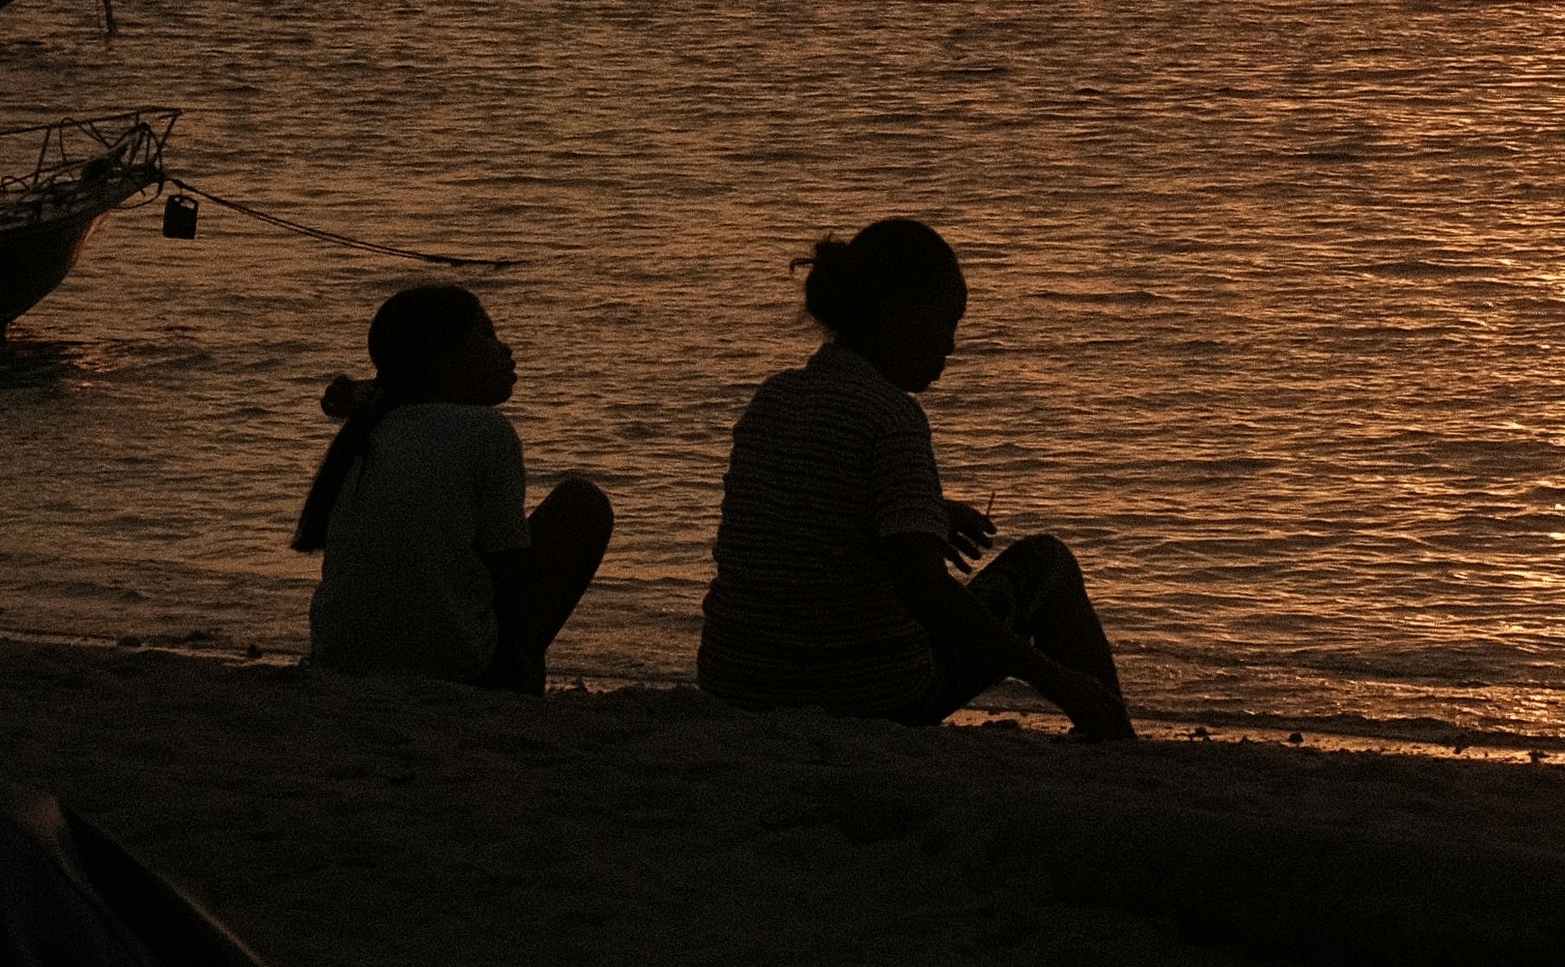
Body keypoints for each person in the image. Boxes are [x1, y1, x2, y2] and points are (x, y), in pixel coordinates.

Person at [695, 218, 1131, 735]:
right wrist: (1054, 679)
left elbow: (806, 516)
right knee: (1047, 562)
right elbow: (927, 591)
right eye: (945, 325)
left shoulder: (774, 399)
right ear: (899, 319)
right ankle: (1111, 730)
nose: (950, 347)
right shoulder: (892, 419)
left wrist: (927, 512)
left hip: (735, 686)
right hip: (866, 698)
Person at [293, 284, 610, 693]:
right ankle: (522, 680)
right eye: (485, 336)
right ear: (442, 361)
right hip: (458, 670)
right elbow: (508, 573)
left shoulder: (370, 426)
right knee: (583, 506)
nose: (505, 349)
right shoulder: (488, 432)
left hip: (339, 660)